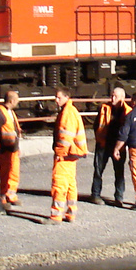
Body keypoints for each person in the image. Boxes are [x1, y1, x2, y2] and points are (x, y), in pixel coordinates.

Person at [48, 87, 87, 223]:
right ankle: (71, 213)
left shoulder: (67, 113)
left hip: (66, 154)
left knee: (59, 184)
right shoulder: (71, 110)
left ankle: (56, 216)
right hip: (73, 153)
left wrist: (60, 153)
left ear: (66, 97)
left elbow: (65, 136)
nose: (56, 100)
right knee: (70, 184)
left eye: (59, 97)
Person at [90, 86, 129, 206]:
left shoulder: (128, 111)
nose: (112, 98)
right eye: (112, 95)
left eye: (115, 96)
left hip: (118, 146)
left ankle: (119, 197)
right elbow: (97, 124)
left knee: (119, 173)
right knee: (98, 170)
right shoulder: (104, 108)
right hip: (104, 144)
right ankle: (95, 195)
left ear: (122, 98)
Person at [0, 89, 24, 207]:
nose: (18, 102)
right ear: (12, 100)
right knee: (5, 173)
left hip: (12, 148)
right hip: (4, 149)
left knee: (13, 173)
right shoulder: (0, 112)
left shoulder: (9, 112)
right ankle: (2, 196)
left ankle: (11, 194)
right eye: (17, 100)